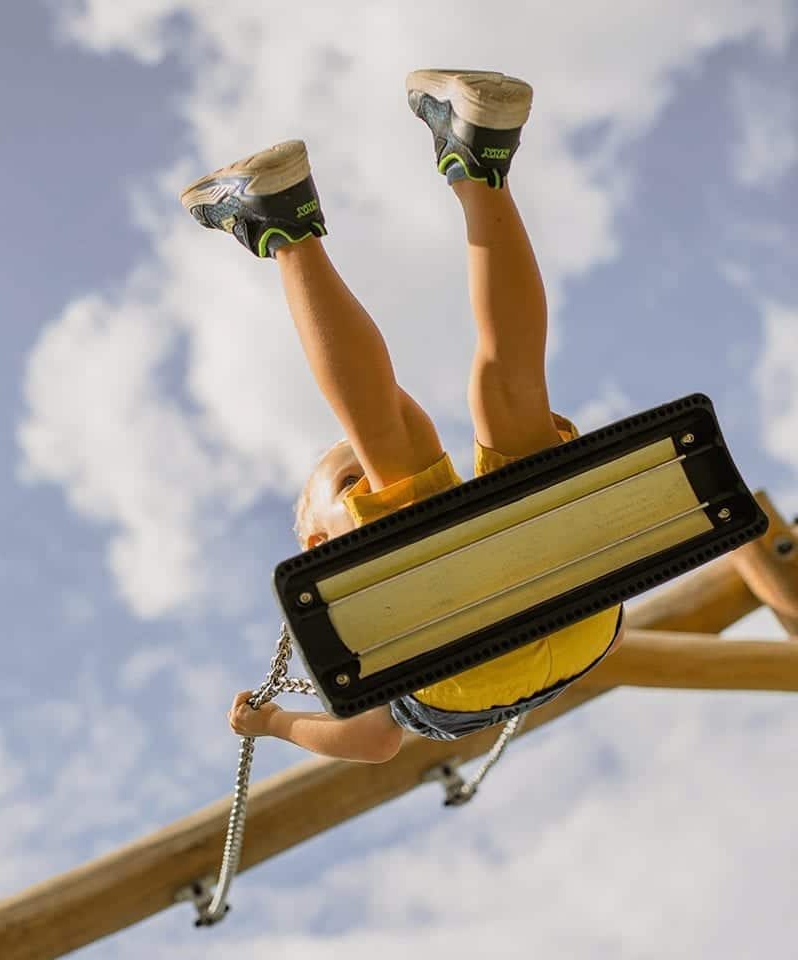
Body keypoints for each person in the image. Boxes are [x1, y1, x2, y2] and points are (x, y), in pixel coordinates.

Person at [180, 69, 625, 764]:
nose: (364, 485)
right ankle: (300, 223)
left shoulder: (378, 617)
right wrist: (274, 724)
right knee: (489, 398)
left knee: (459, 406)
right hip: (551, 614)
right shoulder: (360, 589)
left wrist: (275, 726)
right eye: (350, 484)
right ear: (316, 544)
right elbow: (377, 740)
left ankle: (474, 165)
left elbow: (376, 743)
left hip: (581, 621)